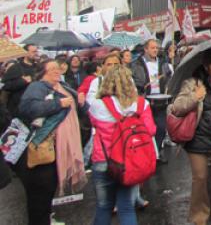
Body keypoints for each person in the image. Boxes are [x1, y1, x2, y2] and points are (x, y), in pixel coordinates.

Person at [170, 48, 211, 225]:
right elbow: (177, 107)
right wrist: (195, 96)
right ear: (206, 67)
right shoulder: (193, 83)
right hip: (198, 138)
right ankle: (199, 216)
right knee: (200, 178)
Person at [17, 59, 87, 225]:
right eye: (53, 68)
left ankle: (46, 219)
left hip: (58, 146)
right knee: (40, 191)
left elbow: (81, 109)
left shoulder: (64, 86)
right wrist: (58, 104)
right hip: (43, 144)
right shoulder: (37, 87)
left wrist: (82, 102)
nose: (57, 70)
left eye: (58, 68)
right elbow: (27, 109)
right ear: (43, 72)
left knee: (48, 189)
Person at [88, 64, 156, 225]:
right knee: (126, 207)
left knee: (104, 207)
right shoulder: (141, 104)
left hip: (103, 160)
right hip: (129, 161)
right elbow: (151, 130)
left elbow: (93, 124)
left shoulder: (98, 105)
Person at [132, 39, 171, 161]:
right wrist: (141, 87)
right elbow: (134, 81)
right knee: (146, 129)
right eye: (153, 48)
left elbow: (169, 78)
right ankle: (146, 154)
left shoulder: (163, 63)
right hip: (145, 101)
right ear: (146, 49)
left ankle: (157, 152)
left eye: (156, 48)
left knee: (161, 128)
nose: (155, 50)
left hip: (161, 100)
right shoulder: (137, 64)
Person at [2, 44, 38, 117]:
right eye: (33, 51)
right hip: (16, 108)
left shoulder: (39, 68)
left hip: (34, 107)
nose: (36, 53)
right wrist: (22, 81)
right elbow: (5, 86)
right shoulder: (16, 68)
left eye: (37, 51)